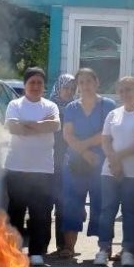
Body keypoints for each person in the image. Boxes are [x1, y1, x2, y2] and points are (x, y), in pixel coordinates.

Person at [4, 67, 61, 266]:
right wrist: (39, 124)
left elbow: (53, 126)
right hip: (17, 167)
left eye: (39, 83)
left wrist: (26, 125)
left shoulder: (51, 106)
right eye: (31, 82)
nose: (35, 86)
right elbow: (12, 127)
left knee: (41, 212)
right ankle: (13, 251)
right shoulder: (15, 104)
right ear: (25, 85)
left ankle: (37, 252)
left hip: (42, 169)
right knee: (16, 212)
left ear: (44, 86)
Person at [58, 68, 116, 261]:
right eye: (81, 82)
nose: (85, 86)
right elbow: (67, 134)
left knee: (101, 204)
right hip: (74, 164)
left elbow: (106, 133)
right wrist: (83, 151)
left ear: (97, 82)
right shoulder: (72, 108)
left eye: (89, 81)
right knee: (72, 203)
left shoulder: (108, 105)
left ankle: (104, 247)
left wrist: (86, 148)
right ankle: (69, 247)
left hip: (100, 162)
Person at [94, 76, 134, 266]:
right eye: (122, 90)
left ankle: (128, 250)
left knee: (130, 211)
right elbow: (105, 140)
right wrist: (113, 159)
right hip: (110, 171)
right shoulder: (113, 114)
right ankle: (104, 248)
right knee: (107, 211)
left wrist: (119, 157)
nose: (125, 94)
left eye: (129, 89)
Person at [49, 73, 77, 252]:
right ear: (59, 87)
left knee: (62, 204)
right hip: (47, 161)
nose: (69, 91)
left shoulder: (75, 109)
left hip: (66, 162)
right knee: (44, 205)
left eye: (72, 89)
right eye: (66, 87)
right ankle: (41, 244)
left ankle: (62, 245)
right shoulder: (49, 107)